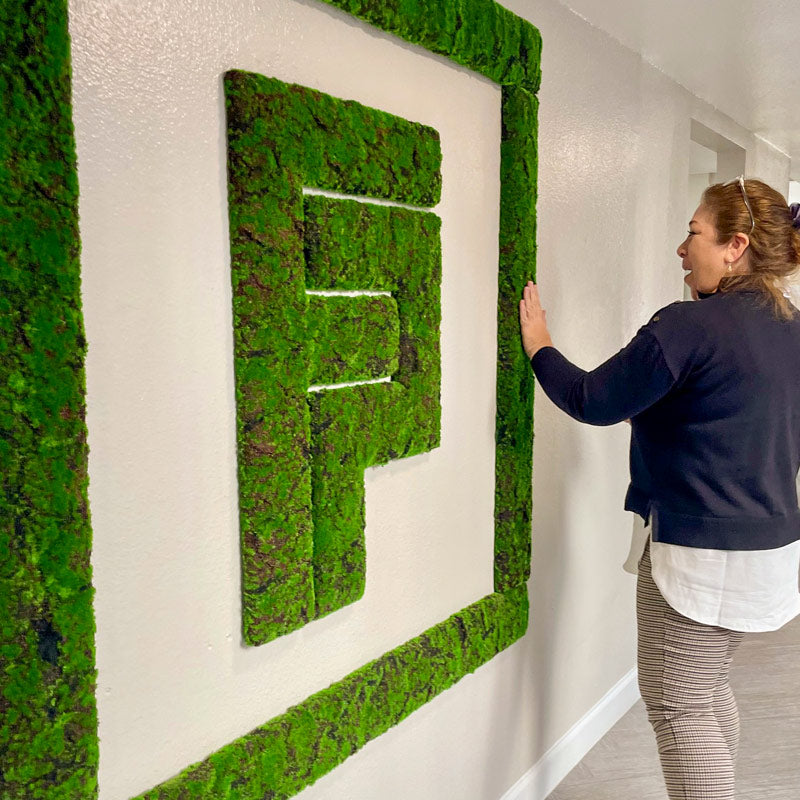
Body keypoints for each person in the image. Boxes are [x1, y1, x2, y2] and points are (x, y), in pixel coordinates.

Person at [518, 177, 800, 800]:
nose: (681, 247)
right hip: (770, 549)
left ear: (736, 246)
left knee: (679, 700)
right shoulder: (791, 328)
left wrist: (539, 344)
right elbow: (739, 417)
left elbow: (592, 400)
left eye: (694, 232)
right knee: (706, 687)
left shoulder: (689, 325)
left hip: (703, 550)